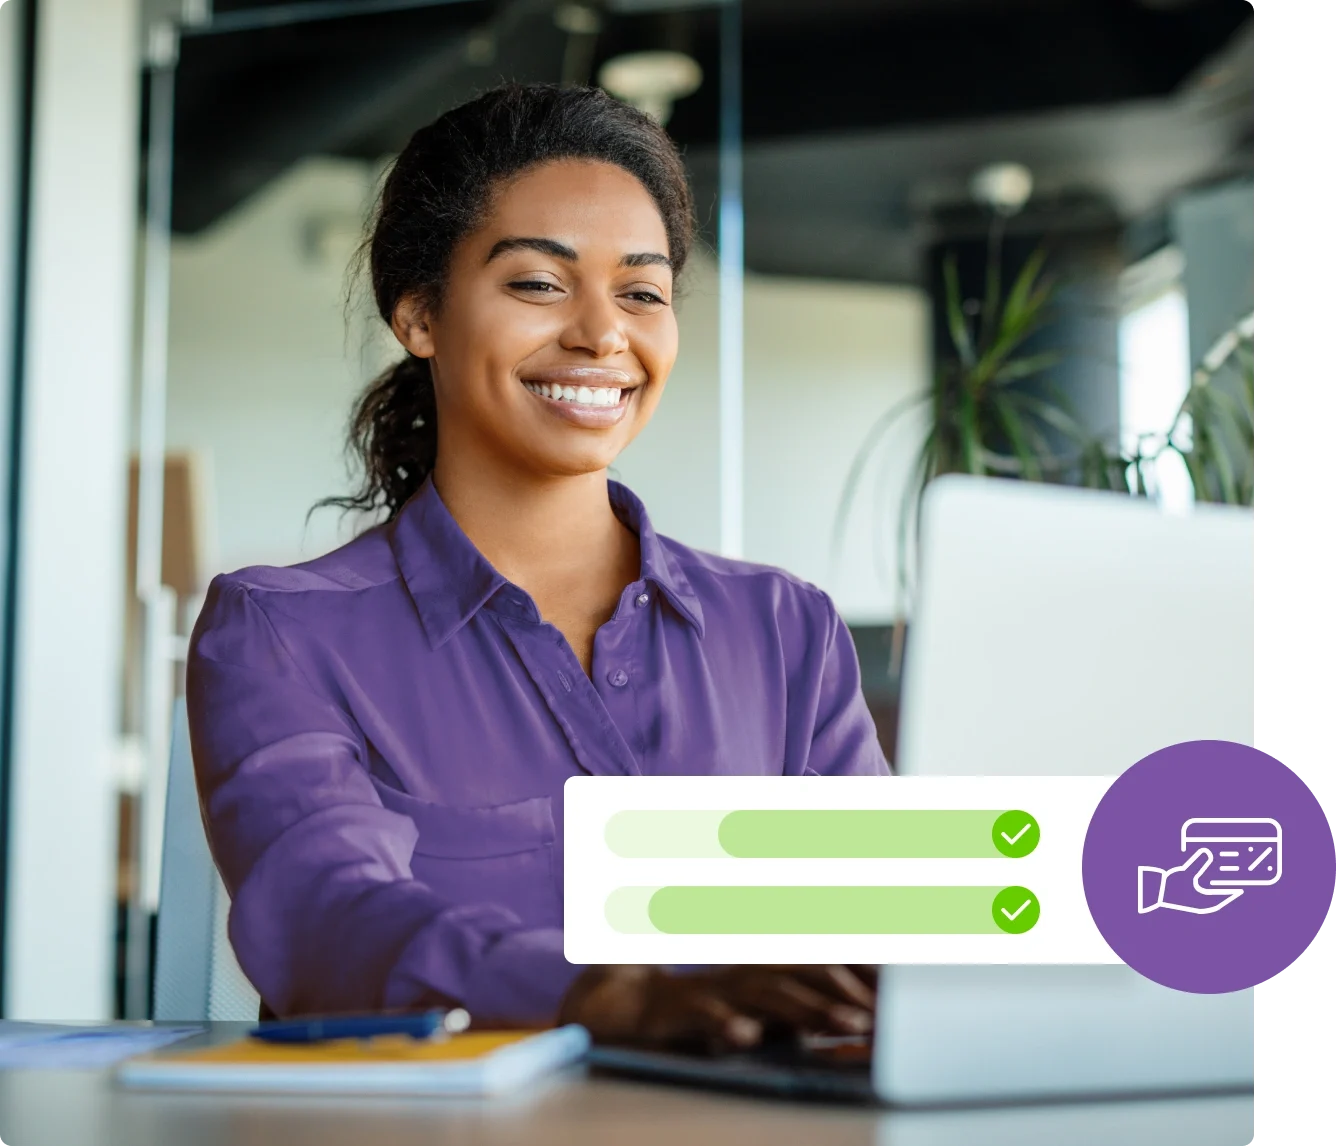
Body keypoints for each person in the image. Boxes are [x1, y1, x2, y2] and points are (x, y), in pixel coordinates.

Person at [187, 83, 890, 1050]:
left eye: (641, 292)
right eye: (538, 284)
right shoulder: (280, 634)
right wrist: (596, 996)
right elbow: (323, 917)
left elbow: (883, 926)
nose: (603, 333)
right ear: (420, 315)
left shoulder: (785, 629)